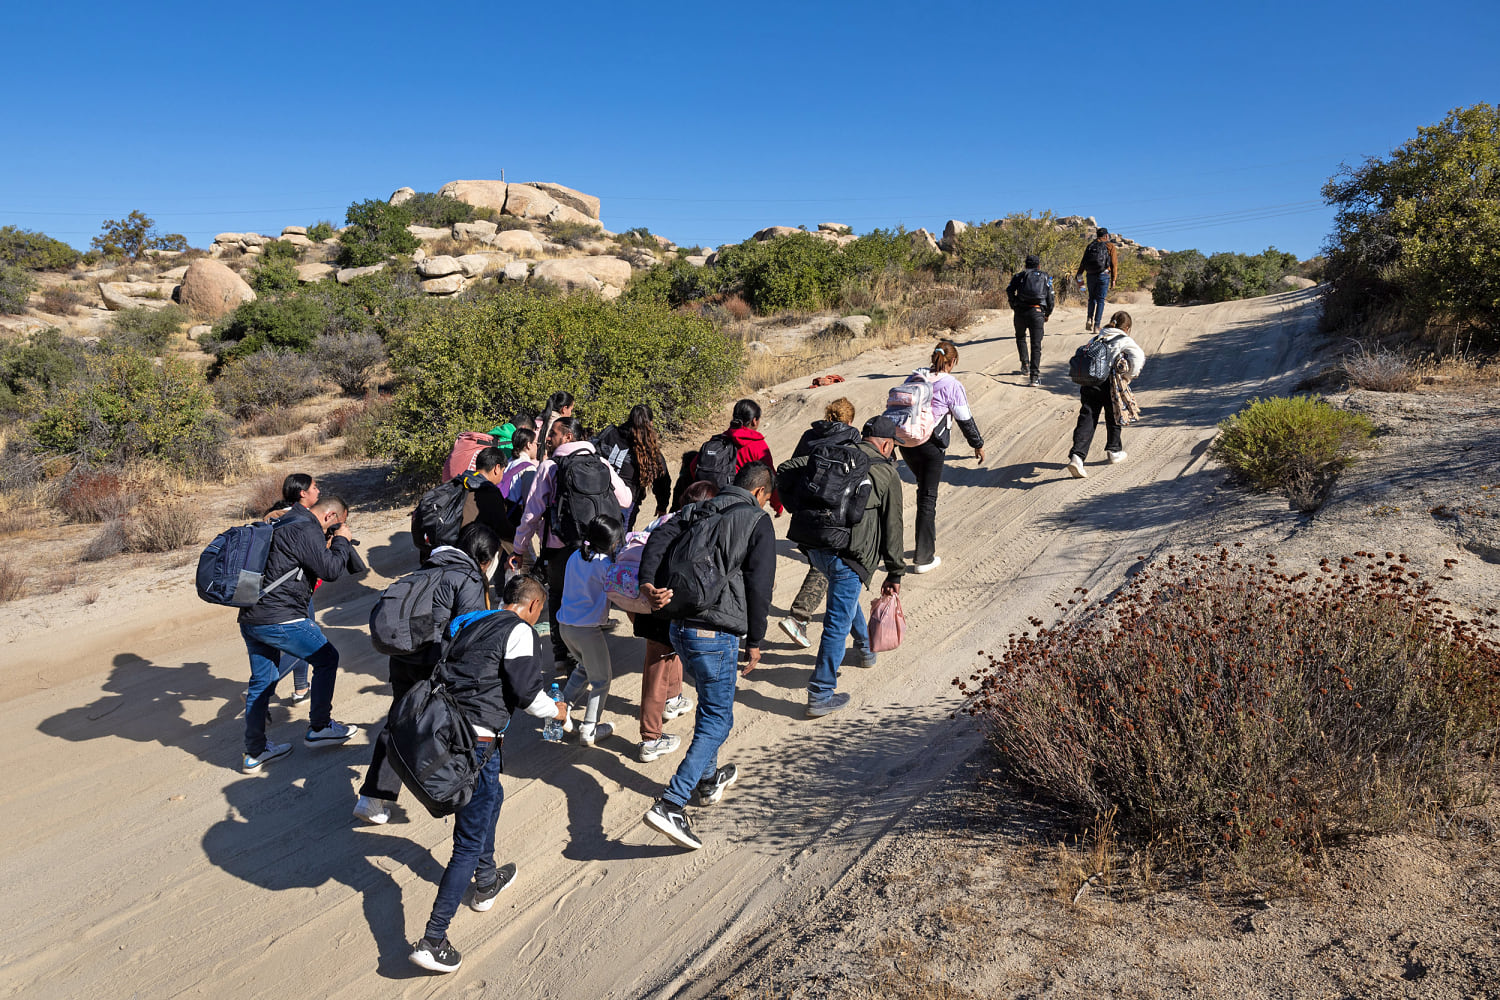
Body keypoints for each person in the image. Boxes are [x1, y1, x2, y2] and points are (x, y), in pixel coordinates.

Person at [407, 574, 566, 975]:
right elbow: (529, 697)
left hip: (455, 733)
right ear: (532, 606)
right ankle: (433, 939)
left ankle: (487, 878)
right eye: (539, 611)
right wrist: (559, 713)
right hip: (475, 744)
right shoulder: (520, 631)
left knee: (492, 798)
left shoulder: (474, 621)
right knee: (467, 839)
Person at [637, 464, 777, 851]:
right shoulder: (756, 521)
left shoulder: (703, 508)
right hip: (715, 633)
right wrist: (756, 639)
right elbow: (759, 585)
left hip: (678, 627)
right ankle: (671, 803)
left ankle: (708, 779)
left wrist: (648, 583)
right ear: (761, 493)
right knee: (718, 719)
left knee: (710, 706)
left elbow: (660, 534)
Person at [353, 522, 500, 825]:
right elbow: (468, 631)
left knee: (401, 720)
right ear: (485, 558)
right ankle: (447, 788)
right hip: (432, 661)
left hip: (402, 657)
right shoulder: (468, 577)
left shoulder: (425, 569)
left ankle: (372, 798)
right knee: (443, 725)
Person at [779, 416, 905, 717]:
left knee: (843, 599)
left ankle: (864, 648)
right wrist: (895, 571)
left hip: (815, 546)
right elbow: (894, 526)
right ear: (887, 444)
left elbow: (784, 469)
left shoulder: (837, 453)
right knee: (836, 621)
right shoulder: (886, 473)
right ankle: (821, 693)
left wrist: (795, 506)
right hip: (850, 555)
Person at [238, 494, 360, 772]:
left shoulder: (288, 520)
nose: (332, 530)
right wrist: (341, 540)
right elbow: (330, 570)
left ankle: (254, 752)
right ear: (331, 517)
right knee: (327, 658)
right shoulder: (306, 528)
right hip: (281, 617)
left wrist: (330, 542)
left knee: (262, 680)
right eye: (335, 525)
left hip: (251, 616)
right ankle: (320, 727)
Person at [513, 416, 631, 668]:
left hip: (561, 546)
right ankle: (590, 649)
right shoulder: (600, 462)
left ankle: (561, 654)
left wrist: (519, 547)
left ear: (568, 436)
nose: (548, 438)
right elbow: (626, 499)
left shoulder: (550, 467)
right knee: (594, 592)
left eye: (553, 434)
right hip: (597, 546)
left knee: (558, 595)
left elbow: (532, 513)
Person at [631, 480, 717, 763]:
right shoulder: (700, 527)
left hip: (658, 607)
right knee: (656, 668)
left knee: (668, 656)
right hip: (673, 610)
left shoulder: (665, 524)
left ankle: (672, 699)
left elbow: (650, 555)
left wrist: (646, 588)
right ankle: (650, 738)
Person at [897, 341, 985, 575]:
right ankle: (924, 557)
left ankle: (921, 545)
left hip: (906, 443)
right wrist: (977, 444)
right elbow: (964, 418)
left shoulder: (915, 377)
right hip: (930, 445)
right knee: (927, 499)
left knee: (923, 490)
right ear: (953, 362)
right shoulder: (951, 384)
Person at [778, 398, 859, 649]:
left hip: (804, 512)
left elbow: (790, 470)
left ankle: (861, 637)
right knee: (828, 566)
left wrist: (793, 505)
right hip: (831, 514)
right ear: (850, 419)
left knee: (828, 566)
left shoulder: (808, 435)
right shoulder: (852, 436)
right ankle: (799, 617)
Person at [555, 515, 627, 746]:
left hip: (566, 627)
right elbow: (621, 591)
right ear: (610, 544)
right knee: (602, 680)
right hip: (587, 631)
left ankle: (559, 711)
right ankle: (589, 729)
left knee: (584, 668)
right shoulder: (604, 565)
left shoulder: (575, 556)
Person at [261, 473, 320, 703]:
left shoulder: (272, 517)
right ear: (302, 493)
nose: (319, 491)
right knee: (306, 640)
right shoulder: (305, 520)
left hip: (269, 590)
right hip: (295, 591)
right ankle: (263, 690)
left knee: (289, 640)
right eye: (315, 487)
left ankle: (301, 688)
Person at [1067, 310, 1146, 478]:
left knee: (1087, 416)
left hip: (1089, 382)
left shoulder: (1097, 338)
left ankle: (1077, 457)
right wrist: (1128, 376)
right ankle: (1114, 450)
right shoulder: (1124, 339)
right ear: (1127, 328)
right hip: (1109, 382)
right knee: (1114, 414)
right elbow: (1138, 357)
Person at [689, 399, 785, 515]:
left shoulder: (719, 440)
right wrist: (778, 506)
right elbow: (769, 478)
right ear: (754, 421)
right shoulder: (757, 446)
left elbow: (694, 466)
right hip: (739, 509)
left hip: (710, 505)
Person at [593, 404, 672, 530]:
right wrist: (662, 506)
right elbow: (662, 479)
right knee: (618, 543)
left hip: (598, 496)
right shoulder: (649, 449)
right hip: (625, 503)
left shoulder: (610, 433)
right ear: (650, 423)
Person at [1007, 254, 1054, 387]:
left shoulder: (1019, 276)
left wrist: (1014, 305)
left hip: (1020, 311)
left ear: (1025, 265)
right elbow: (1051, 297)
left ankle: (1025, 365)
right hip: (1037, 312)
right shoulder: (1045, 277)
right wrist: (1047, 313)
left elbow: (1009, 290)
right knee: (1036, 344)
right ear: (1039, 266)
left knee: (1021, 337)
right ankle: (1034, 378)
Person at [495, 427, 539, 555]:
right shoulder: (528, 468)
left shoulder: (508, 463)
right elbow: (528, 502)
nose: (537, 447)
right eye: (536, 444)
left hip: (503, 516)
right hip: (516, 521)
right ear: (528, 445)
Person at [1074, 227, 1119, 333]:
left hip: (1090, 275)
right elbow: (1114, 264)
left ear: (1097, 235)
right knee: (1101, 300)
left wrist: (1079, 275)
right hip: (1103, 275)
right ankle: (1096, 326)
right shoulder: (1110, 246)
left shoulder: (1090, 246)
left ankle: (1089, 318)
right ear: (1106, 236)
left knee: (1092, 298)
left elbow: (1083, 262)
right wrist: (1114, 279)